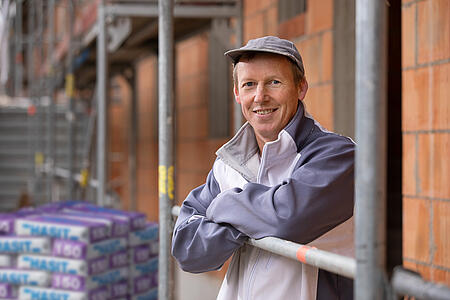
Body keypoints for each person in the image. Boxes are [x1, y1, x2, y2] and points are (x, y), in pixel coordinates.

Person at [172, 36, 355, 300]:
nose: (260, 96)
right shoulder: (229, 163)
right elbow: (187, 249)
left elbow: (288, 218)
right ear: (237, 93)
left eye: (274, 82)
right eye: (249, 85)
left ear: (300, 87)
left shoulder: (336, 155)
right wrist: (253, 218)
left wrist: (226, 204)